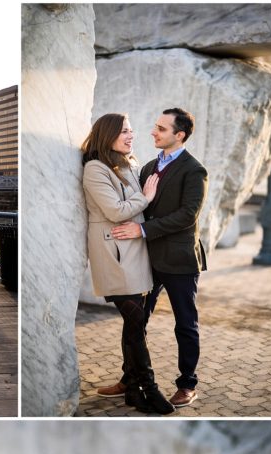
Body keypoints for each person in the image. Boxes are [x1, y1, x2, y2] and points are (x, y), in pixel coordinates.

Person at [109, 108, 209, 409]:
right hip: (147, 259)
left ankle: (187, 383)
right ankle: (129, 377)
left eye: (161, 129)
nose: (154, 132)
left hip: (179, 261)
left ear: (179, 135)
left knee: (185, 324)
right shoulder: (149, 166)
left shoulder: (195, 170)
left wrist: (142, 229)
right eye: (155, 126)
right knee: (135, 321)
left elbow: (187, 216)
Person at [81, 113, 174, 415]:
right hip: (114, 255)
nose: (131, 135)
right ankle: (150, 387)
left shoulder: (129, 164)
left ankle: (133, 390)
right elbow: (115, 209)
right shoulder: (95, 169)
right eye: (124, 131)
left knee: (135, 326)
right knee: (135, 325)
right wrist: (146, 198)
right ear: (107, 134)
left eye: (132, 130)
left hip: (136, 252)